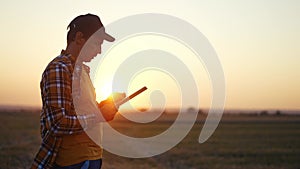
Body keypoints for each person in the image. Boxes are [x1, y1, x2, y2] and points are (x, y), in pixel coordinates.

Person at [31, 13, 125, 169]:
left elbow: (83, 110)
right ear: (80, 38)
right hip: (72, 161)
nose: (100, 50)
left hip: (91, 156)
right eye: (97, 43)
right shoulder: (59, 69)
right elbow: (57, 123)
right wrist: (99, 115)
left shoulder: (82, 71)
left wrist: (106, 105)